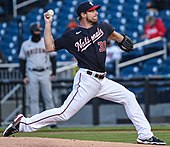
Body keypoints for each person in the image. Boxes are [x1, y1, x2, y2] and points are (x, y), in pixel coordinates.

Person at [2, 1, 166, 145]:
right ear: (83, 14)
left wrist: (123, 40)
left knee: (129, 97)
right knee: (64, 113)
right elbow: (49, 47)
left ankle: (145, 135)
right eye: (92, 11)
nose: (96, 13)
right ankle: (23, 124)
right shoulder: (72, 36)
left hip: (102, 80)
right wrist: (48, 24)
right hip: (86, 79)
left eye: (96, 10)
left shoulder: (104, 27)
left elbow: (117, 36)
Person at [18, 22, 57, 116]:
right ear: (32, 31)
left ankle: (51, 121)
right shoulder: (25, 44)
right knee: (33, 99)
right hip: (32, 73)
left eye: (39, 30)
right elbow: (22, 61)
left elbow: (53, 57)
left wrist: (54, 72)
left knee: (48, 97)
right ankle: (34, 122)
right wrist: (24, 76)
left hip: (45, 72)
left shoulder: (45, 41)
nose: (38, 32)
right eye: (36, 30)